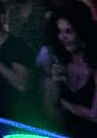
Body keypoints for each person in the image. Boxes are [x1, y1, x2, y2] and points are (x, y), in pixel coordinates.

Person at [44, 8, 97, 137]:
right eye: (59, 32)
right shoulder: (60, 64)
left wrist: (63, 103)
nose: (63, 37)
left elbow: (94, 115)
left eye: (69, 31)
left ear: (82, 33)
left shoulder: (94, 66)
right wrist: (53, 84)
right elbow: (50, 112)